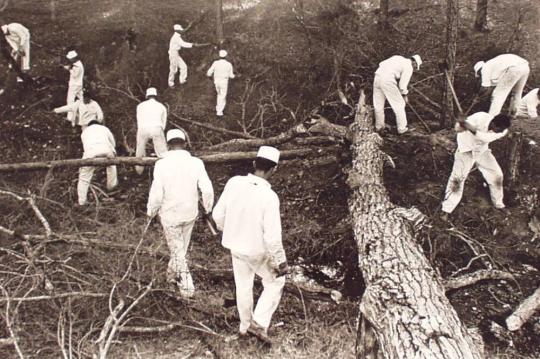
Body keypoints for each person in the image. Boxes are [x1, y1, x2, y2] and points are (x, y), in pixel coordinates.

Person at [212, 146, 289, 343]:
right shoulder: (270, 197)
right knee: (276, 281)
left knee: (243, 286)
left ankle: (245, 327)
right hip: (257, 251)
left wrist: (226, 228)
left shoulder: (234, 183)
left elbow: (217, 215)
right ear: (274, 170)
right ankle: (259, 324)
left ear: (254, 164)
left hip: (235, 245)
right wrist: (281, 262)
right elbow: (272, 237)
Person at [147, 129, 214, 298]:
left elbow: (156, 193)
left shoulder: (161, 164)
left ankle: (187, 290)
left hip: (170, 214)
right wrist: (208, 209)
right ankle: (170, 277)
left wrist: (151, 211)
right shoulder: (196, 163)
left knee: (178, 251)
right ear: (184, 143)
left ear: (169, 145)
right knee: (179, 249)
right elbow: (207, 189)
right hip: (189, 212)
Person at [441, 112, 511, 216]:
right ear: (493, 124)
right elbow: (458, 129)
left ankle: (499, 204)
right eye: (499, 129)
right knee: (457, 179)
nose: (500, 132)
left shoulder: (502, 131)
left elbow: (483, 137)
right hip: (465, 150)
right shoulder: (480, 116)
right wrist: (461, 124)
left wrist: (469, 126)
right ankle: (446, 210)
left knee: (497, 175)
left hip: (481, 150)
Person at [373, 54, 422, 134]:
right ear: (414, 62)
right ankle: (402, 128)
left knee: (378, 105)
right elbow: (402, 85)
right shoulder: (409, 66)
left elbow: (381, 64)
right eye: (416, 66)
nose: (415, 68)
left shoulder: (398, 58)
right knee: (400, 104)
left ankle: (379, 127)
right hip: (387, 80)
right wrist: (405, 95)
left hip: (377, 77)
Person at [77, 121, 118, 206]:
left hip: (90, 152)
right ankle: (111, 188)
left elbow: (85, 145)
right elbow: (113, 143)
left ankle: (82, 201)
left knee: (84, 177)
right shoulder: (104, 128)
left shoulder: (84, 132)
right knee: (112, 167)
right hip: (106, 150)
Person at [135, 87, 167, 175]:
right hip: (156, 127)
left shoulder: (140, 106)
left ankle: (139, 171)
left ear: (147, 96)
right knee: (162, 152)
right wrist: (160, 131)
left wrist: (141, 129)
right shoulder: (161, 106)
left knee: (140, 150)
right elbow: (163, 122)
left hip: (142, 128)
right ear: (156, 96)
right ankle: (165, 170)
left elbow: (138, 119)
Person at [207, 50, 235, 117]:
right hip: (224, 81)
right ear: (226, 56)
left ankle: (218, 109)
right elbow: (231, 75)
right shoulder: (228, 64)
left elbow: (209, 73)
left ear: (219, 56)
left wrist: (210, 77)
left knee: (219, 94)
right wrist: (236, 76)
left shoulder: (215, 63)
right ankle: (219, 112)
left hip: (216, 81)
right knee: (222, 96)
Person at [63, 51, 85, 124]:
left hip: (74, 85)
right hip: (78, 84)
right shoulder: (78, 64)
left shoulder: (77, 66)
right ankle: (85, 112)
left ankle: (69, 117)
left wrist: (69, 69)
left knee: (70, 100)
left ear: (74, 58)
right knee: (81, 99)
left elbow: (75, 75)